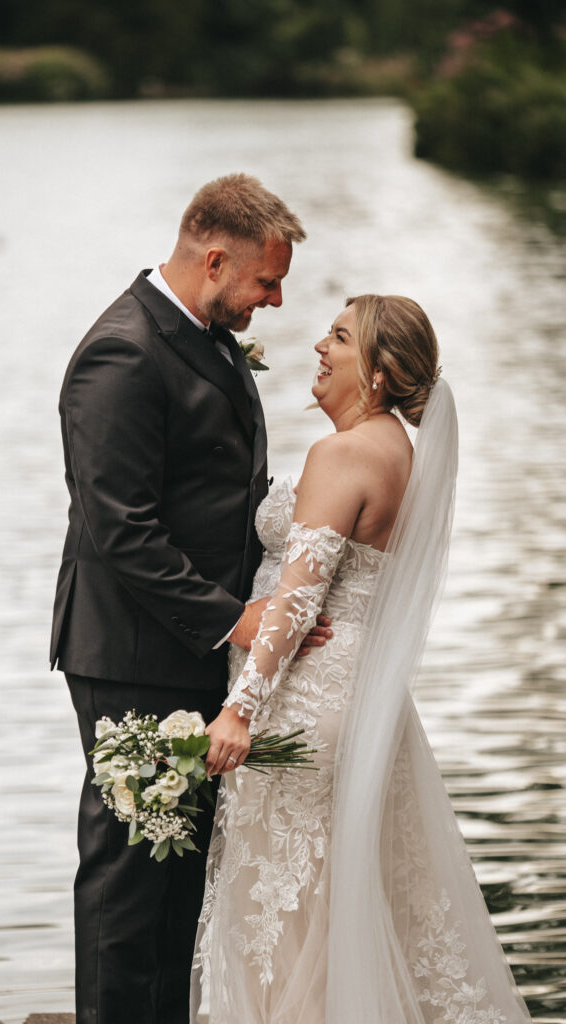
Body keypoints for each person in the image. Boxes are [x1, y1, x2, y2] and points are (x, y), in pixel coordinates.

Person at [192, 295, 532, 1023]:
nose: (318, 346)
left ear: (376, 375)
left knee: (286, 914)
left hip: (305, 704)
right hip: (360, 701)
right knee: (346, 903)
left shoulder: (343, 454)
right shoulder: (398, 453)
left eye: (338, 337)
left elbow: (296, 603)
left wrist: (236, 712)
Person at [50, 173, 331, 1024]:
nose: (275, 301)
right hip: (133, 652)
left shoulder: (203, 334)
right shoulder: (123, 353)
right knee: (129, 873)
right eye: (265, 282)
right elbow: (118, 526)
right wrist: (233, 619)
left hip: (192, 649)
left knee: (182, 870)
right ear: (214, 259)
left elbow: (217, 489)